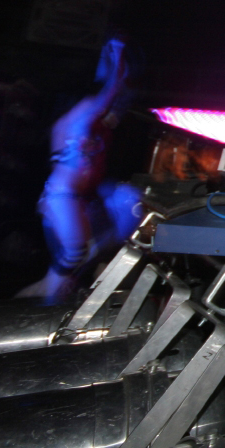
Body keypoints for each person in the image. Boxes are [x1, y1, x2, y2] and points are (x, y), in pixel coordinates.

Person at [17, 38, 142, 302]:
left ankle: (49, 292)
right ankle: (43, 302)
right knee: (74, 256)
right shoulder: (77, 116)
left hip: (76, 200)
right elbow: (109, 92)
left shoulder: (85, 129)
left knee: (130, 202)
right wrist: (117, 57)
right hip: (62, 199)